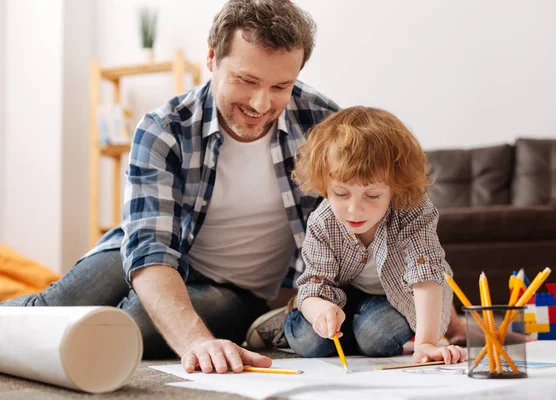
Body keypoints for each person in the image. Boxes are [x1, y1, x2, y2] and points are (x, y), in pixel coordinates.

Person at [2, 0, 466, 372]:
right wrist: (195, 341)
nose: (262, 104)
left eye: (282, 86)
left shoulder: (322, 122)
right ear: (211, 59)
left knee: (128, 325)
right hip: (149, 253)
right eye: (245, 80)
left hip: (236, 288)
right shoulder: (162, 128)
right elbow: (150, 251)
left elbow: (397, 218)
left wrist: (443, 317)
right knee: (55, 305)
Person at [281, 106, 466, 363]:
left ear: (395, 187)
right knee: (310, 341)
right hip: (340, 295)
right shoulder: (323, 221)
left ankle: (357, 332)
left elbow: (426, 276)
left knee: (376, 337)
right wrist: (321, 310)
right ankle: (297, 318)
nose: (355, 209)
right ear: (325, 185)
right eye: (341, 194)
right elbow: (316, 284)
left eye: (372, 196)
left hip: (396, 298)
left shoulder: (412, 211)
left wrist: (425, 343)